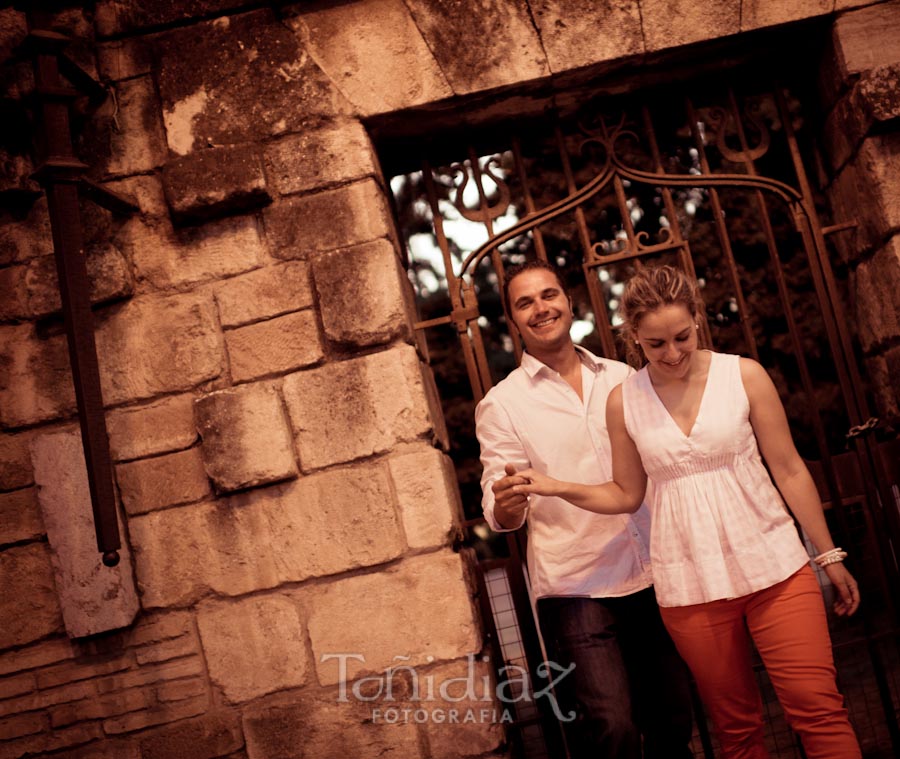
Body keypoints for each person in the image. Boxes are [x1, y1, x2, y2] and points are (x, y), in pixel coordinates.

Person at [514, 264, 862, 759]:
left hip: (775, 567)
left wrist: (829, 555)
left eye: (682, 336)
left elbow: (789, 470)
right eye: (656, 344)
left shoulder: (743, 375)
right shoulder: (622, 402)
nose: (673, 353)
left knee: (818, 709)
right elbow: (625, 495)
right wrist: (555, 486)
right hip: (690, 587)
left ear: (697, 319)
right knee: (737, 731)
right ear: (634, 337)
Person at [475, 260, 694, 759]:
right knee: (610, 727)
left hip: (655, 573)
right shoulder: (501, 405)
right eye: (524, 302)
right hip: (577, 589)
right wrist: (508, 505)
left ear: (569, 302)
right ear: (512, 319)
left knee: (674, 718)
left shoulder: (624, 377)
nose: (540, 308)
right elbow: (500, 505)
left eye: (548, 294)